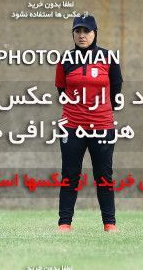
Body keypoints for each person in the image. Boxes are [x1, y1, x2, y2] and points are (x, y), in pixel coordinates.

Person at [54, 14, 123, 232]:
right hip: (73, 126)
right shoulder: (65, 59)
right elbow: (61, 90)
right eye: (78, 31)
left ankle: (109, 224)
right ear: (73, 34)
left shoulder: (109, 58)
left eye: (86, 31)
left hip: (102, 126)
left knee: (104, 176)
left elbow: (116, 89)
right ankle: (65, 223)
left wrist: (99, 111)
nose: (82, 36)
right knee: (69, 176)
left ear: (95, 33)